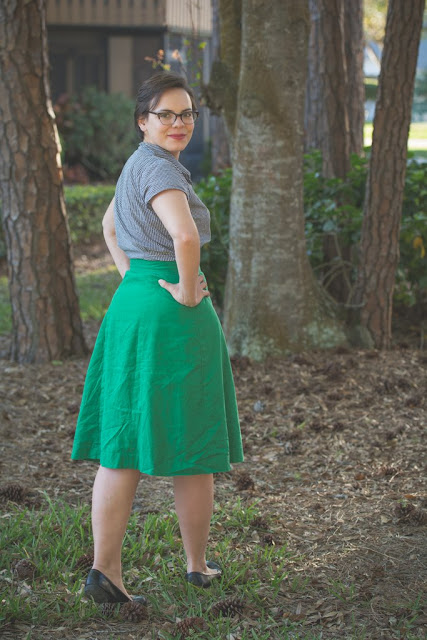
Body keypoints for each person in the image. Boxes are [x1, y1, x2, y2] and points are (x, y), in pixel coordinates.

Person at [71, 72, 244, 603]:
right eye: (165, 114)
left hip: (136, 304)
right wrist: (188, 291)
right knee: (192, 439)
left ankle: (108, 572)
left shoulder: (138, 165)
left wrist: (135, 277)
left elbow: (109, 228)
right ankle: (193, 565)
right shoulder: (160, 170)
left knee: (122, 443)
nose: (178, 122)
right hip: (171, 314)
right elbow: (185, 235)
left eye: (186, 113)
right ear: (143, 121)